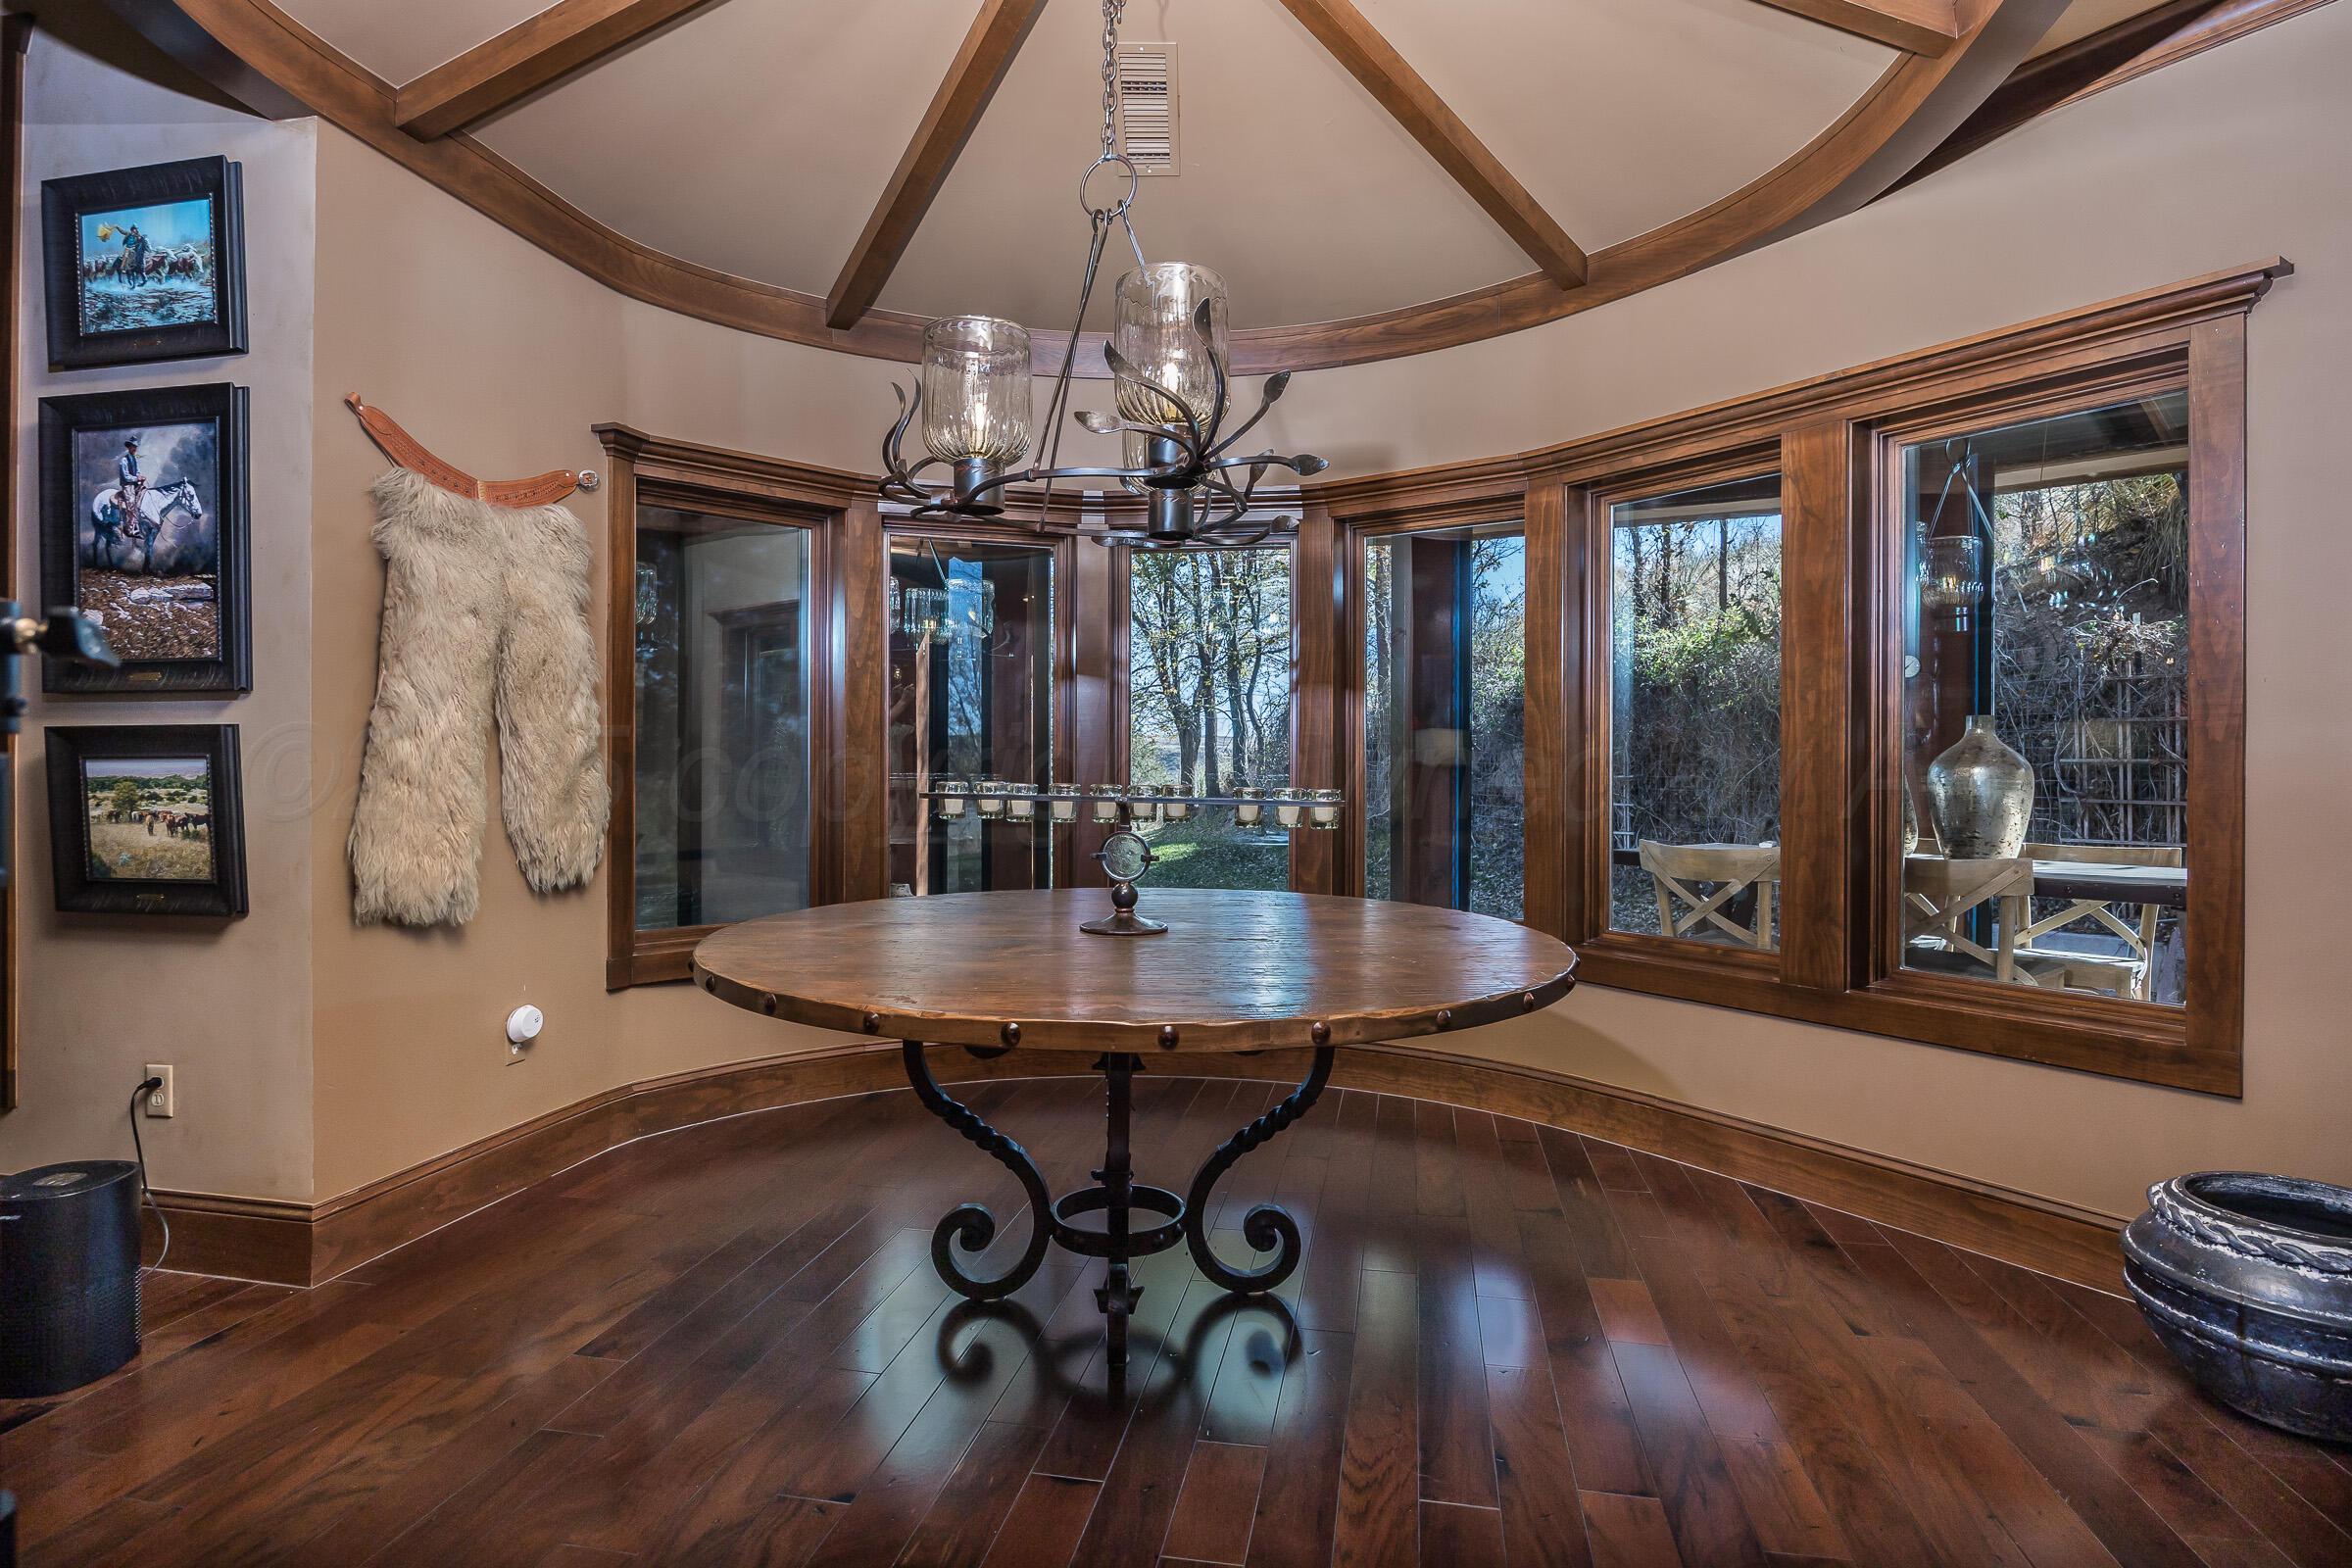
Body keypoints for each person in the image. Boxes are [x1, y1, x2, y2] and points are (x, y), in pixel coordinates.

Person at [115, 436, 146, 538]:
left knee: (143, 497)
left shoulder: (135, 458)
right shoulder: (124, 460)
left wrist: (140, 477)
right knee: (131, 502)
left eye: (136, 447)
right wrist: (137, 478)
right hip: (127, 485)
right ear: (129, 447)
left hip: (135, 483)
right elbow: (126, 477)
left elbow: (137, 471)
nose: (135, 448)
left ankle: (138, 526)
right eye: (133, 446)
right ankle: (129, 529)